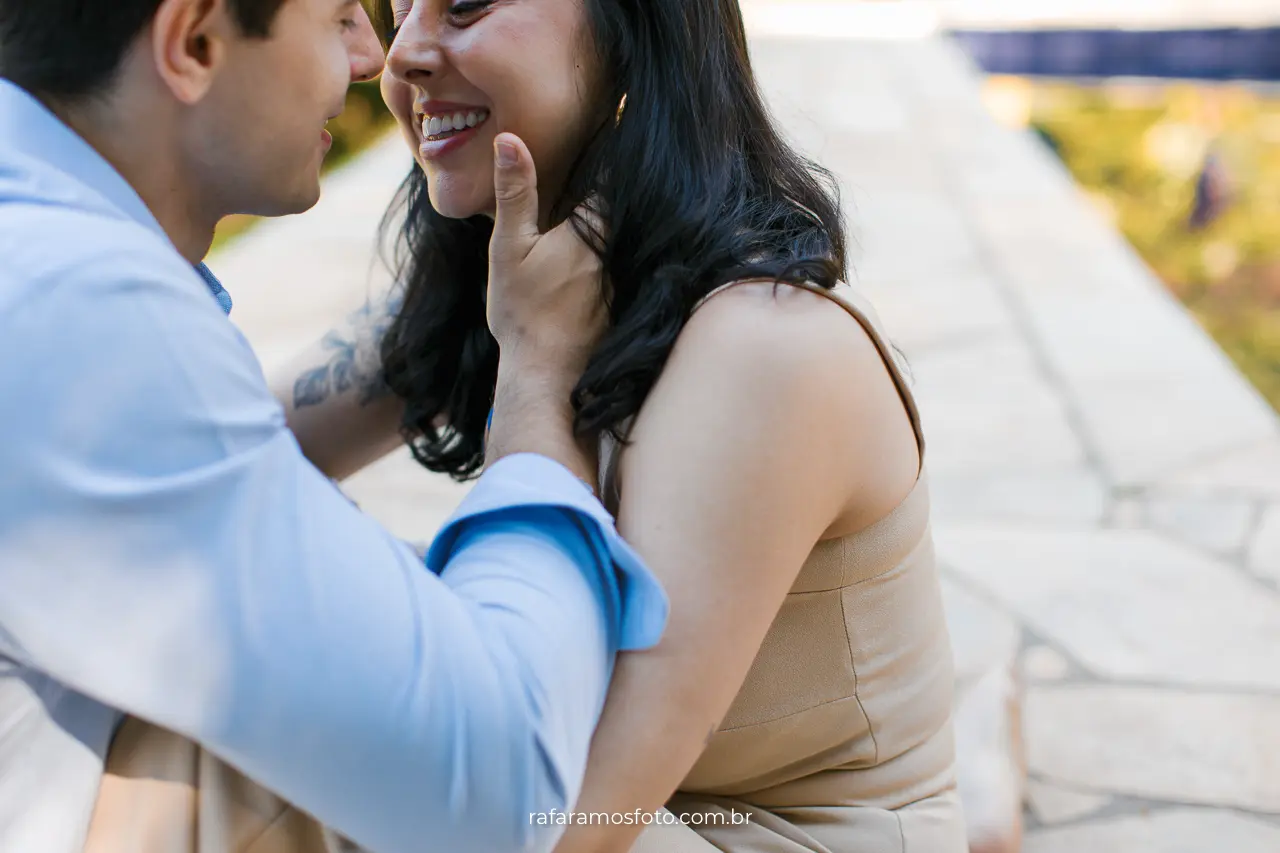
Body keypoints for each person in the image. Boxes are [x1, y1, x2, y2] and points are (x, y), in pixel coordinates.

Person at [89, 0, 976, 850]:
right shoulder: (525, 275)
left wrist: (536, 376)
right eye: (401, 10)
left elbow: (547, 818)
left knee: (250, 749)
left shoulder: (762, 346)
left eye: (468, 4)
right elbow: (211, 468)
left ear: (634, 33)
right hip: (624, 813)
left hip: (722, 831)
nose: (401, 57)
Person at [0, 3, 669, 853]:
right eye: (342, 16)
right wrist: (538, 372)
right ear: (194, 42)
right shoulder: (82, 321)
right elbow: (498, 783)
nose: (373, 58)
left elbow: (232, 462)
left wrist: (482, 299)